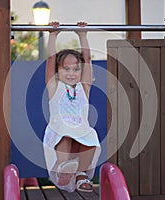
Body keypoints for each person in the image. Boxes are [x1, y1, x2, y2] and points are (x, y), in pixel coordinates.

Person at [43, 21, 101, 193]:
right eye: (65, 69)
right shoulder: (54, 86)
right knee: (66, 134)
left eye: (76, 69)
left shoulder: (84, 87)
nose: (71, 73)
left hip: (81, 132)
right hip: (59, 133)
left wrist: (83, 36)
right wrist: (53, 36)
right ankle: (63, 167)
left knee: (91, 139)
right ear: (57, 71)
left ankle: (81, 174)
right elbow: (50, 59)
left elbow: (87, 59)